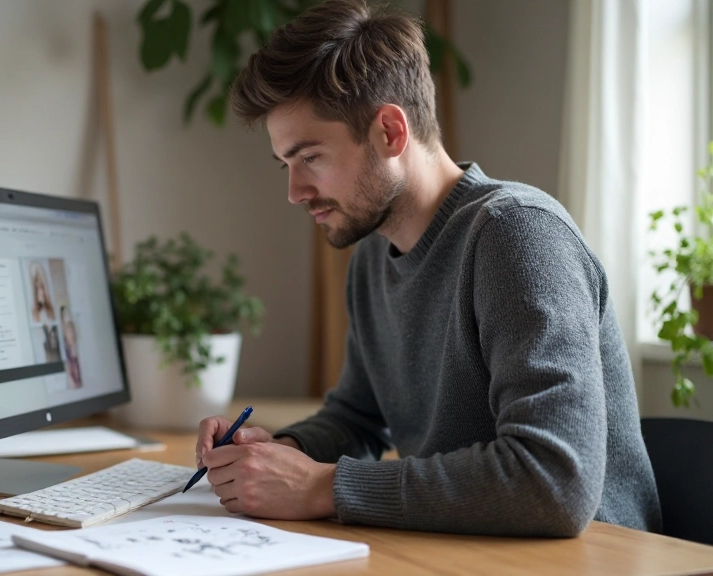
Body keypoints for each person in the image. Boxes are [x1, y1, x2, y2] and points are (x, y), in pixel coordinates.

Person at [195, 0, 661, 537]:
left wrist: (321, 487)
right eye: (287, 164)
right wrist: (279, 452)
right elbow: (356, 419)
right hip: (466, 549)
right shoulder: (372, 255)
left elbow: (555, 481)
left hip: (590, 559)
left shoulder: (517, 235)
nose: (296, 193)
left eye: (311, 158)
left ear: (390, 133)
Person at [60, 306, 82, 389]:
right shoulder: (66, 355)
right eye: (68, 328)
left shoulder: (81, 348)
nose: (71, 331)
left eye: (71, 326)